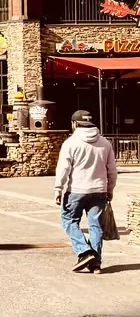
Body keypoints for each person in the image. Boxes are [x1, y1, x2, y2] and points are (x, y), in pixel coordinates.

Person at [54, 110, 117, 273]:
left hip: (76, 190)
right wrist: (110, 190)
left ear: (75, 124)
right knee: (96, 226)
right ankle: (95, 264)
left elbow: (63, 169)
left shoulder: (70, 143)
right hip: (99, 190)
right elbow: (112, 170)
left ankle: (85, 251)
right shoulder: (105, 143)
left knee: (69, 221)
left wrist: (58, 189)